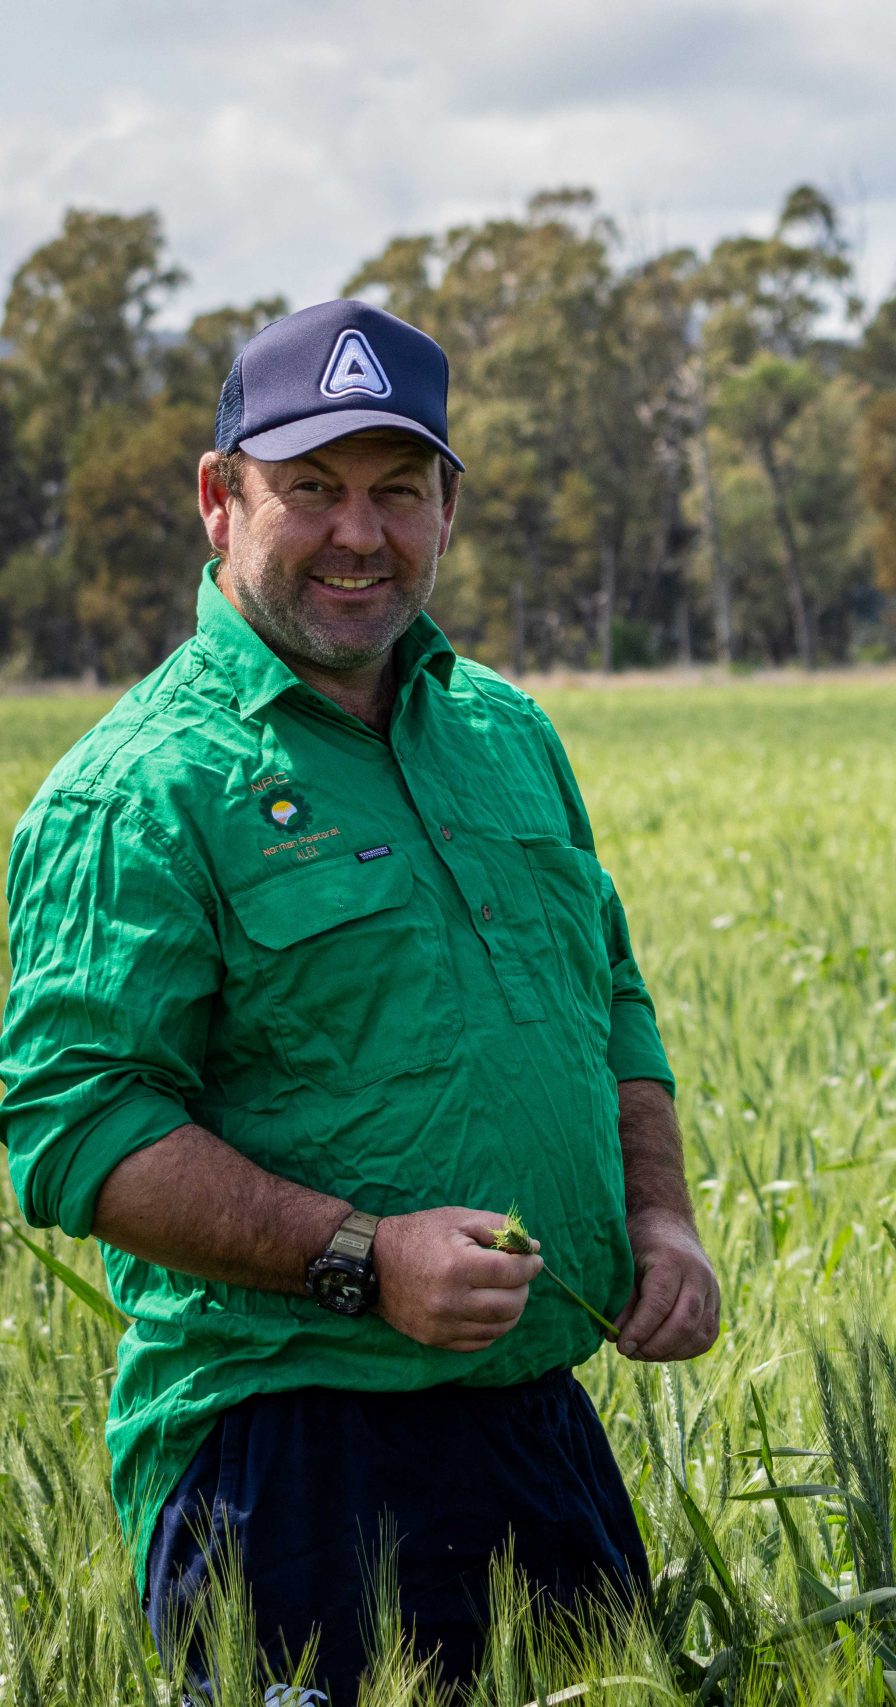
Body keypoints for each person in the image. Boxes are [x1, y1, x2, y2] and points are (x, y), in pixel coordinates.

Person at [0, 299, 721, 1702]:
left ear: (447, 507)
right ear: (220, 500)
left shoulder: (507, 735)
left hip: (536, 1423)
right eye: (311, 490)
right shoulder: (140, 787)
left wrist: (659, 1219)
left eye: (399, 491)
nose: (359, 533)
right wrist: (363, 1259)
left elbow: (610, 1001)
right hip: (289, 1451)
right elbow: (76, 1127)